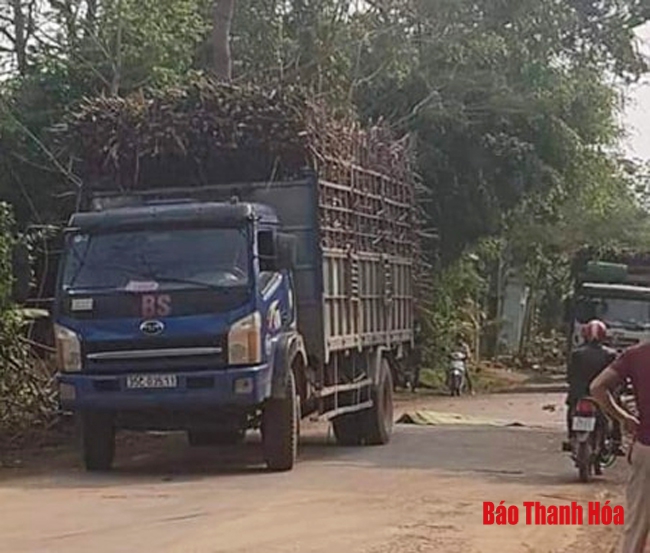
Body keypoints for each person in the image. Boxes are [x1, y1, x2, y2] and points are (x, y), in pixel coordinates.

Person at [590, 342, 647, 553]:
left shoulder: (636, 355)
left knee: (638, 523)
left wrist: (623, 417)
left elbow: (597, 387)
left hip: (647, 447)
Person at [563, 319, 622, 452]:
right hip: (602, 393)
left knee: (572, 408)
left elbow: (570, 375)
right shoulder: (611, 354)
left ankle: (571, 436)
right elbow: (616, 376)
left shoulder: (577, 354)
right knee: (616, 411)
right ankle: (616, 442)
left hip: (579, 393)